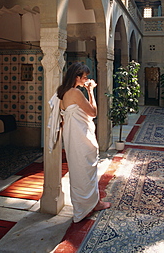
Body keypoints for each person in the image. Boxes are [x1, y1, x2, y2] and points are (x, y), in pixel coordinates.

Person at [57, 62, 110, 223]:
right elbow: (93, 112)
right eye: (84, 77)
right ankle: (90, 206)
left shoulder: (62, 92)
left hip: (72, 137)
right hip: (81, 138)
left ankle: (88, 204)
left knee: (78, 171)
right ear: (76, 77)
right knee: (86, 171)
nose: (86, 79)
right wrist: (90, 90)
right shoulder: (76, 92)